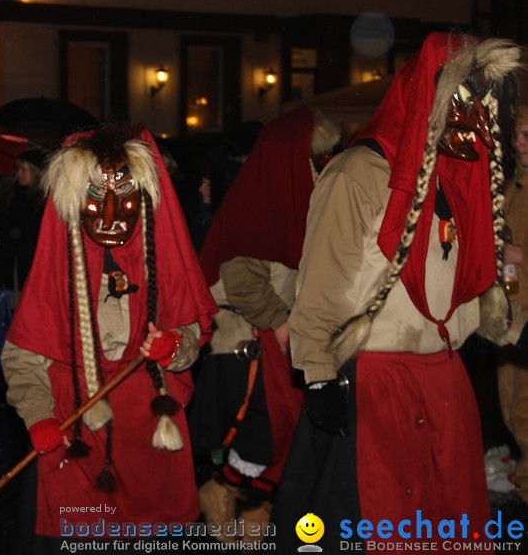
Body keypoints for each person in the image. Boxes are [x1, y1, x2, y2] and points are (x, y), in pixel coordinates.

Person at [273, 32, 526, 553]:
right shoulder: (359, 173)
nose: (477, 119)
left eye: (485, 103)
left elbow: (461, 284)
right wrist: (318, 377)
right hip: (376, 386)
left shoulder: (460, 178)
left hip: (445, 383)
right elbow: (318, 286)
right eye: (463, 100)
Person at [1, 124, 218, 552]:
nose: (111, 216)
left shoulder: (161, 258)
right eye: (96, 201)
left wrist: (175, 347)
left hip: (150, 438)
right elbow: (24, 354)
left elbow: (191, 332)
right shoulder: (56, 264)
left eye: (125, 200)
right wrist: (37, 414)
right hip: (77, 432)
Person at [194, 106, 342, 544]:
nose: (324, 163)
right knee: (266, 436)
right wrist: (280, 322)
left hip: (278, 340)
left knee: (286, 436)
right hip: (248, 344)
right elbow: (241, 277)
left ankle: (253, 516)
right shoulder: (261, 200)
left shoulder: (302, 197)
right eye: (318, 155)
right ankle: (221, 491)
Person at [497, 104, 528, 500]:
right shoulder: (511, 188)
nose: (518, 144)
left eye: (527, 136)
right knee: (511, 407)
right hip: (510, 319)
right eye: (518, 135)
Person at [0, 145, 47, 306]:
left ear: (36, 172)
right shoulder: (11, 195)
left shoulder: (42, 201)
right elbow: (2, 233)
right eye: (18, 169)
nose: (19, 174)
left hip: (32, 267)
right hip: (12, 265)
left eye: (25, 170)